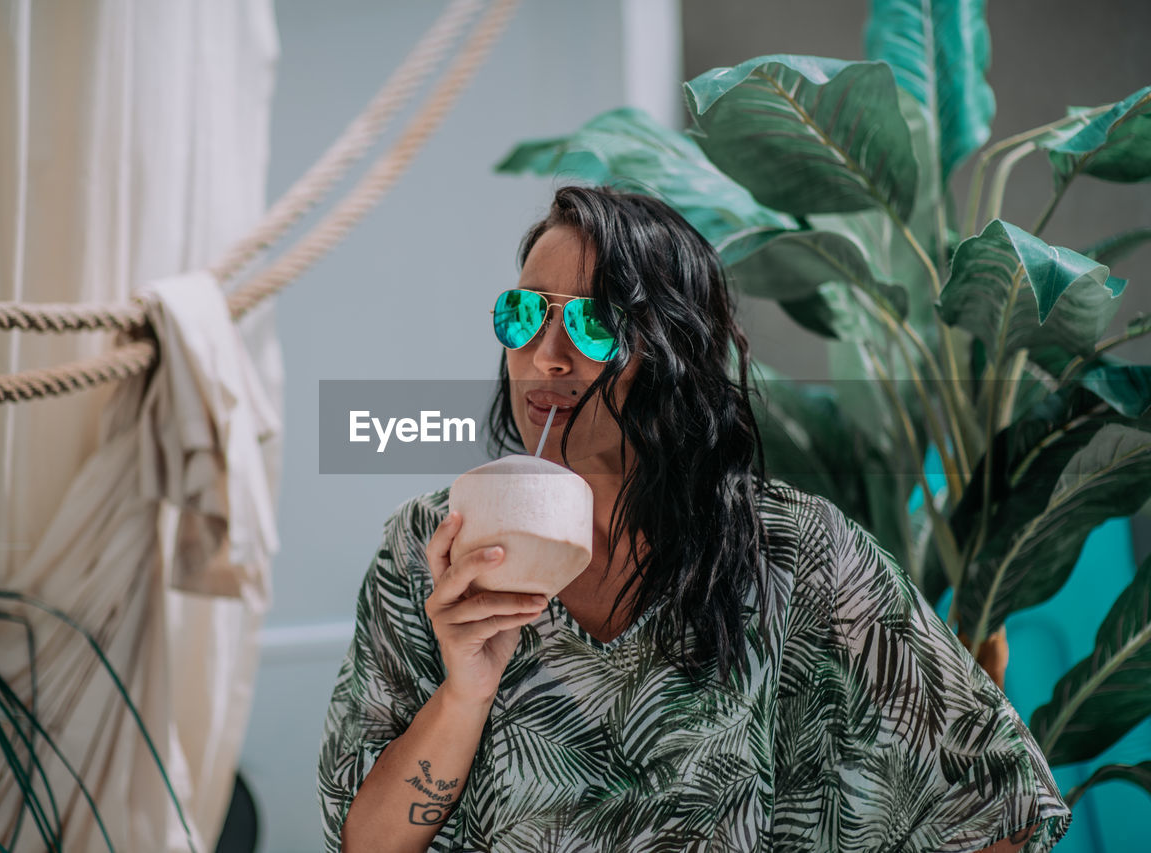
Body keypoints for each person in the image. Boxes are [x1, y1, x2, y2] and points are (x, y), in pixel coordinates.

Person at [317, 185, 1072, 852]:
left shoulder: (790, 554)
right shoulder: (431, 549)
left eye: (592, 325)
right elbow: (367, 841)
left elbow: (995, 797)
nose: (546, 356)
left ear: (672, 350)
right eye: (524, 315)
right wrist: (465, 692)